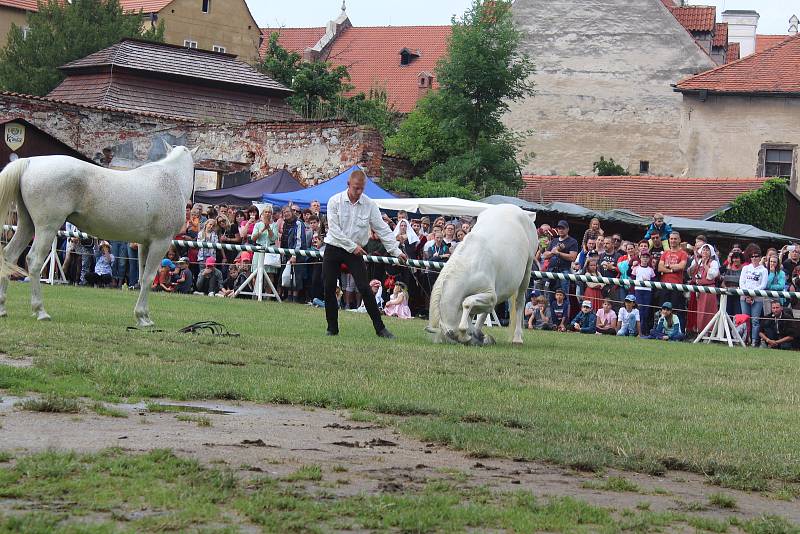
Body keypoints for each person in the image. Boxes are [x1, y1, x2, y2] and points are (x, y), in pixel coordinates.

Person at [322, 169, 408, 338]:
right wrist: (351, 246)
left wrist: (396, 251)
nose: (359, 192)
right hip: (334, 247)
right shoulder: (334, 201)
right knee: (329, 287)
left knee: (365, 288)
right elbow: (334, 229)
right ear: (348, 185)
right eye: (356, 188)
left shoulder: (369, 205)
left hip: (355, 251)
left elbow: (382, 229)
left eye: (362, 189)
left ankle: (380, 329)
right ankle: (332, 328)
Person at [543, 220, 579, 306]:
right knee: (549, 295)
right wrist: (553, 252)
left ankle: (565, 318)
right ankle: (551, 318)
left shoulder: (572, 241)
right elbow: (544, 255)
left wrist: (558, 253)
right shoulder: (554, 241)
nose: (561, 230)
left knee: (564, 296)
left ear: (567, 229)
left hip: (564, 271)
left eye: (563, 228)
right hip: (551, 271)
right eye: (559, 228)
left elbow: (573, 257)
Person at [739, 244, 768, 347]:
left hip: (757, 297)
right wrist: (747, 294)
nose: (755, 258)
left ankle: (754, 341)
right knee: (745, 319)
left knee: (755, 320)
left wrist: (752, 294)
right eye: (753, 256)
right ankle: (744, 339)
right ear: (750, 257)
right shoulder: (745, 268)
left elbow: (763, 285)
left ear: (760, 257)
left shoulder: (763, 270)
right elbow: (741, 283)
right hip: (744, 296)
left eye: (757, 256)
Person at [657, 231, 688, 326]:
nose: (673, 241)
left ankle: (675, 331)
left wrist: (667, 266)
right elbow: (659, 268)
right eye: (671, 238)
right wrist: (672, 269)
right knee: (663, 309)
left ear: (679, 240)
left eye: (675, 238)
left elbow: (681, 266)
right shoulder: (665, 253)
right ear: (669, 240)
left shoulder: (683, 253)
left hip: (677, 285)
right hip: (664, 284)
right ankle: (661, 329)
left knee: (675, 310)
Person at [687, 243, 720, 334]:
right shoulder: (697, 261)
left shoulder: (713, 262)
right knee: (698, 311)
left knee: (707, 311)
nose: (705, 252)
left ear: (710, 252)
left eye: (707, 250)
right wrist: (697, 263)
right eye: (704, 250)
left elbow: (712, 275)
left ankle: (708, 332)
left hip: (708, 289)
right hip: (698, 289)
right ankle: (698, 331)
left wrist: (705, 265)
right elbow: (690, 273)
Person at [634, 251, 655, 330]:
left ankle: (644, 329)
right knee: (640, 310)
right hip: (638, 290)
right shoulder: (636, 268)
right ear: (640, 258)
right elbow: (631, 277)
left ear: (649, 259)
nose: (645, 259)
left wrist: (648, 281)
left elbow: (654, 281)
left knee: (646, 311)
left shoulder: (651, 270)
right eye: (643, 257)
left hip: (647, 291)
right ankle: (639, 330)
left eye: (646, 257)